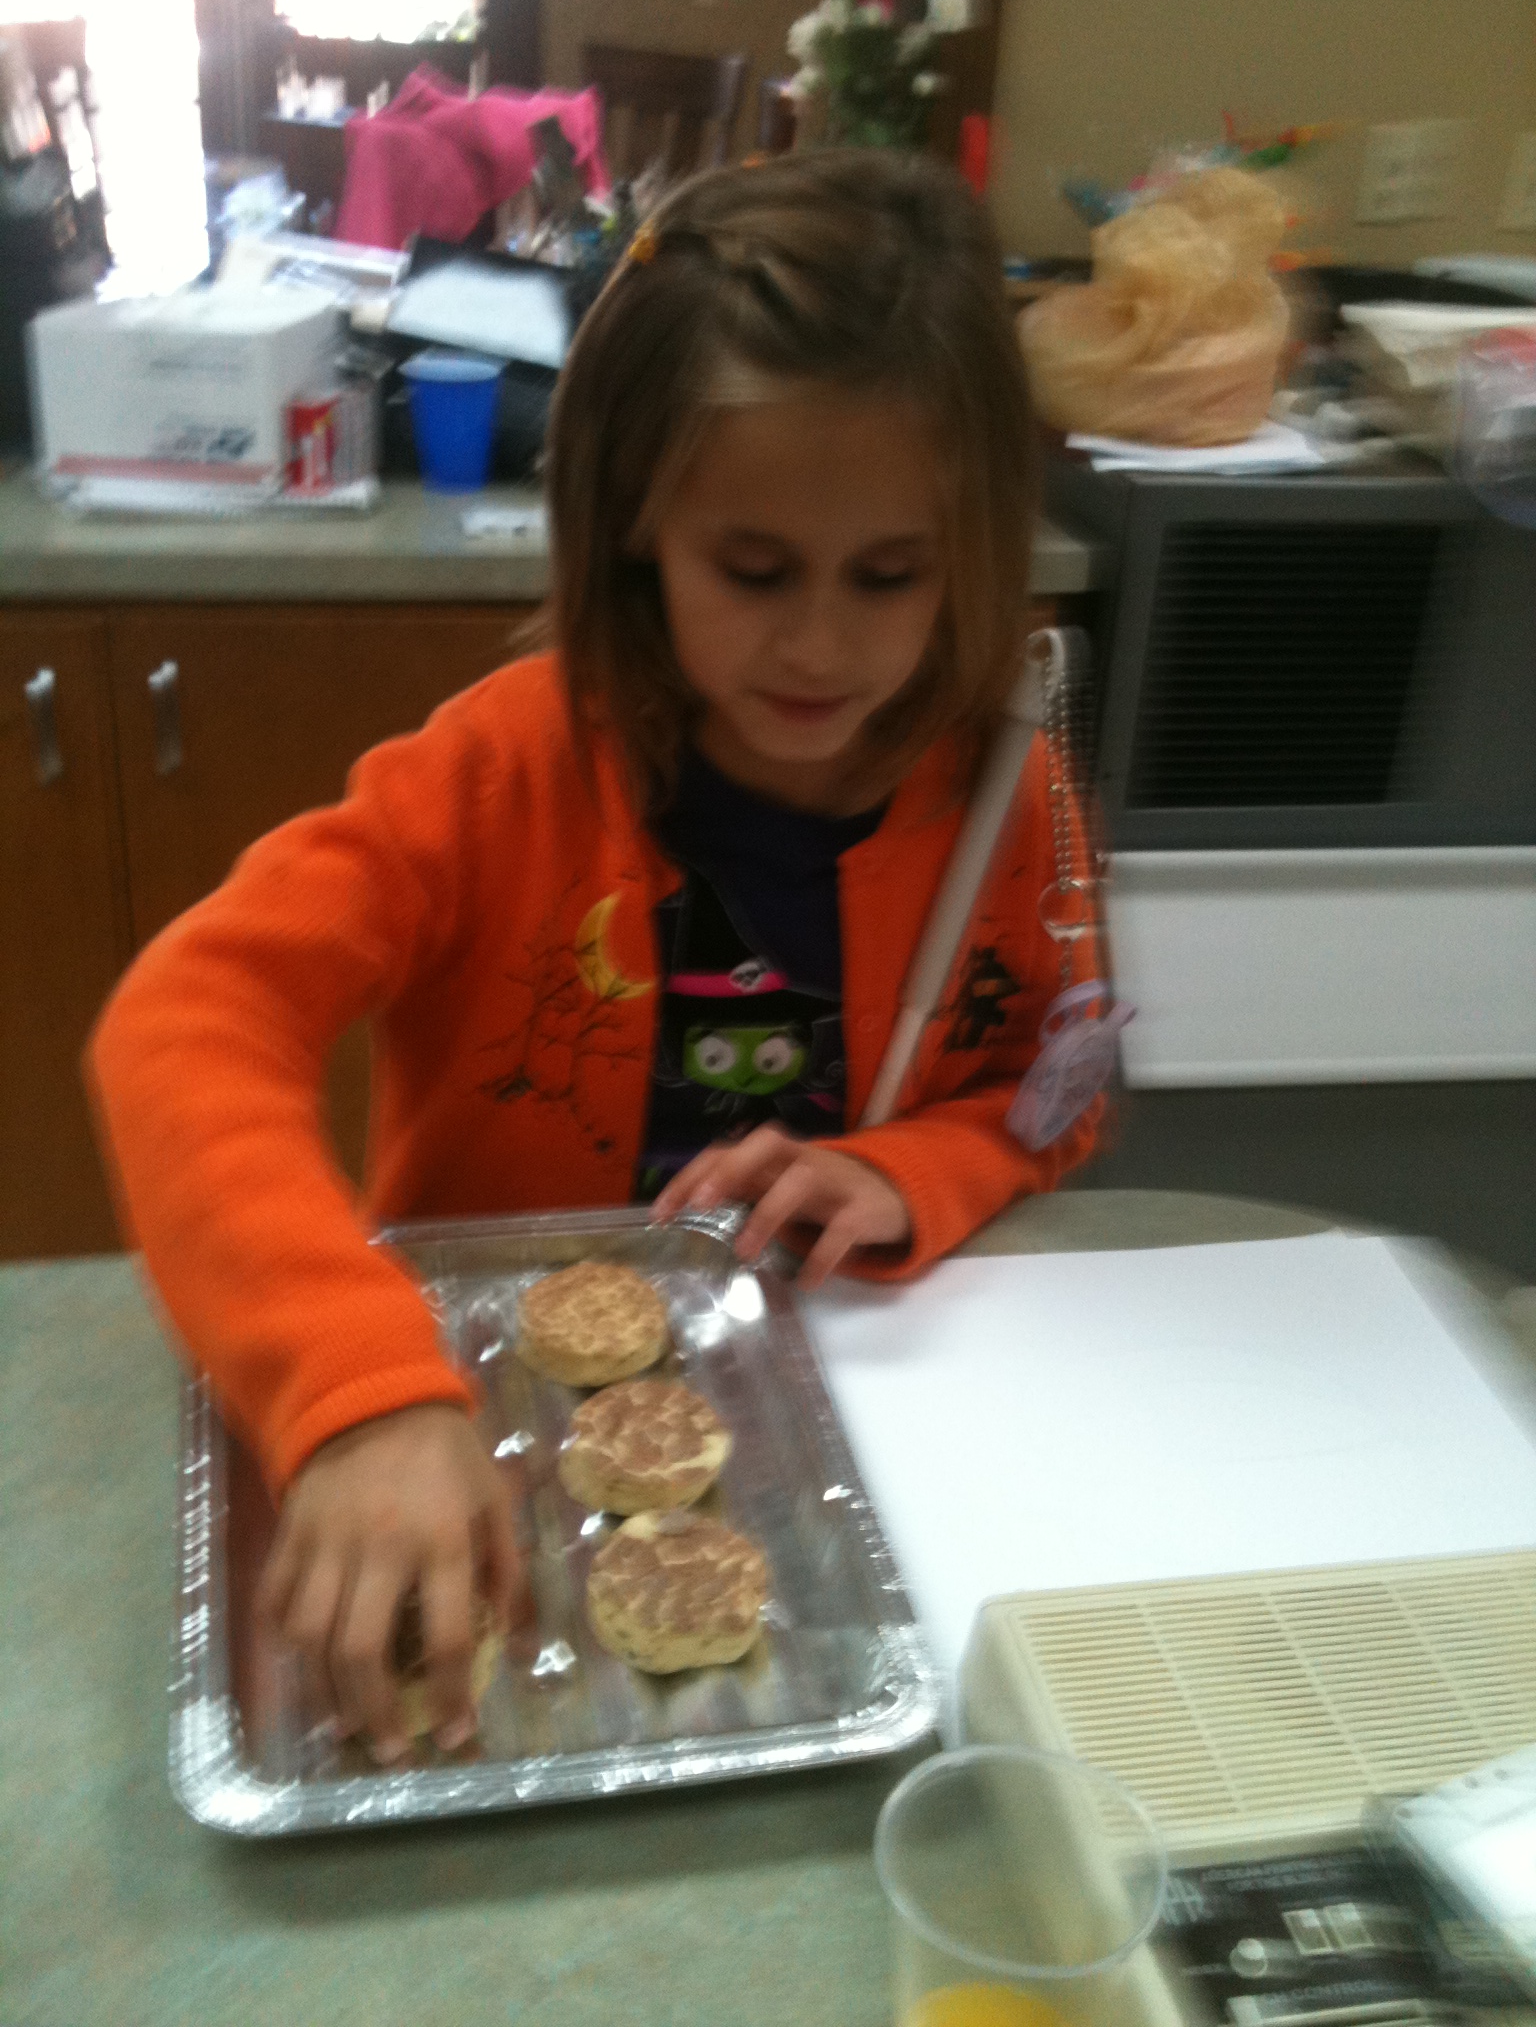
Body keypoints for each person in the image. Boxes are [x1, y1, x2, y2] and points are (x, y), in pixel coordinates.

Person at [87, 149, 1102, 1765]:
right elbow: (184, 1021)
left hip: (891, 1426)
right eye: (753, 571)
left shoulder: (1010, 798)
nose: (822, 645)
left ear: (970, 549)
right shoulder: (499, 776)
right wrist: (352, 1382)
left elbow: (1060, 1087)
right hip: (470, 1427)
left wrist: (921, 1166)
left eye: (890, 576)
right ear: (637, 527)